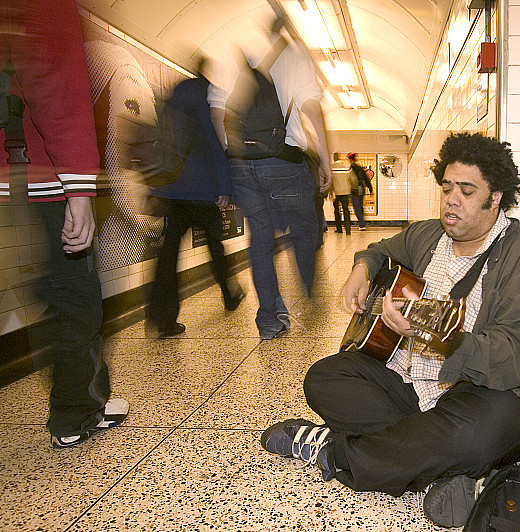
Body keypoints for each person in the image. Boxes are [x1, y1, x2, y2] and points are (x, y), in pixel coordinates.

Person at [260, 132, 520, 527]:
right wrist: (361, 270)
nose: (451, 200)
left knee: (472, 435)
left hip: (492, 396)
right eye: (447, 188)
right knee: (325, 377)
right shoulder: (429, 235)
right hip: (416, 384)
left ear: (496, 198)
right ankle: (447, 467)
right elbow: (381, 249)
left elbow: (512, 361)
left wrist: (427, 331)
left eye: (467, 191)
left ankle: (333, 450)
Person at [0, 0, 129, 448]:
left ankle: (91, 393)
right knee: (74, 295)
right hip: (33, 173)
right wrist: (78, 186)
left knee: (47, 292)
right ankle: (76, 411)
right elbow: (54, 79)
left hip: (9, 174)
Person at [208, 17, 332, 340]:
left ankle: (269, 320)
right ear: (285, 29)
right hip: (283, 161)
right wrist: (325, 161)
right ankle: (308, 292)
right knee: (305, 226)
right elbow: (311, 108)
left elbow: (216, 112)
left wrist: (232, 153)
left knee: (260, 238)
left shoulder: (231, 53)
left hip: (242, 165)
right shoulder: (294, 55)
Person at [145, 59, 245, 338]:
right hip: (201, 192)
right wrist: (225, 187)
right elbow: (214, 143)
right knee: (215, 246)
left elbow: (161, 143)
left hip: (172, 191)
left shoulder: (175, 94)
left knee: (167, 256)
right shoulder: (205, 95)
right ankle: (229, 293)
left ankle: (161, 318)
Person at [331, 152, 356, 234]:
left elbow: (328, 180)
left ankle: (339, 229)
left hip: (335, 193)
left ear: (334, 159)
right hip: (345, 192)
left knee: (336, 211)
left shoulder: (331, 168)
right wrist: (352, 187)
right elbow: (353, 179)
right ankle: (348, 230)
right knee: (346, 210)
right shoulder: (346, 168)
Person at [347, 152, 372, 230]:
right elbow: (366, 179)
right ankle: (362, 223)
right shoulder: (360, 167)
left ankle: (361, 224)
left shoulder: (351, 168)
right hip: (361, 188)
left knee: (356, 206)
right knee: (360, 206)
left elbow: (349, 180)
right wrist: (370, 188)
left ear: (350, 159)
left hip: (355, 189)